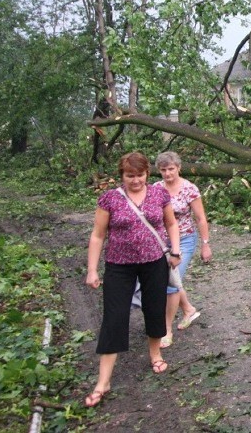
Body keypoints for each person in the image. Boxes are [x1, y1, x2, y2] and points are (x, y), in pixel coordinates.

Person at [84, 152, 181, 408]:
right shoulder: (110, 199)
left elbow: (171, 224)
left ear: (147, 173)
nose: (135, 180)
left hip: (154, 262)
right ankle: (103, 381)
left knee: (154, 308)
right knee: (114, 317)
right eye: (130, 176)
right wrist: (92, 270)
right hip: (119, 265)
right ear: (122, 176)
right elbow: (97, 235)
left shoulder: (160, 195)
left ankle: (155, 353)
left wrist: (175, 250)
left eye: (139, 175)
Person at [154, 151, 212, 348]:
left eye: (171, 169)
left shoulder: (189, 189)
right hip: (162, 242)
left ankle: (166, 330)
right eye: (163, 170)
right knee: (170, 280)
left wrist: (205, 244)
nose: (168, 173)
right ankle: (188, 309)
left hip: (185, 240)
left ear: (178, 168)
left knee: (170, 284)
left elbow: (201, 218)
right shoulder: (155, 189)